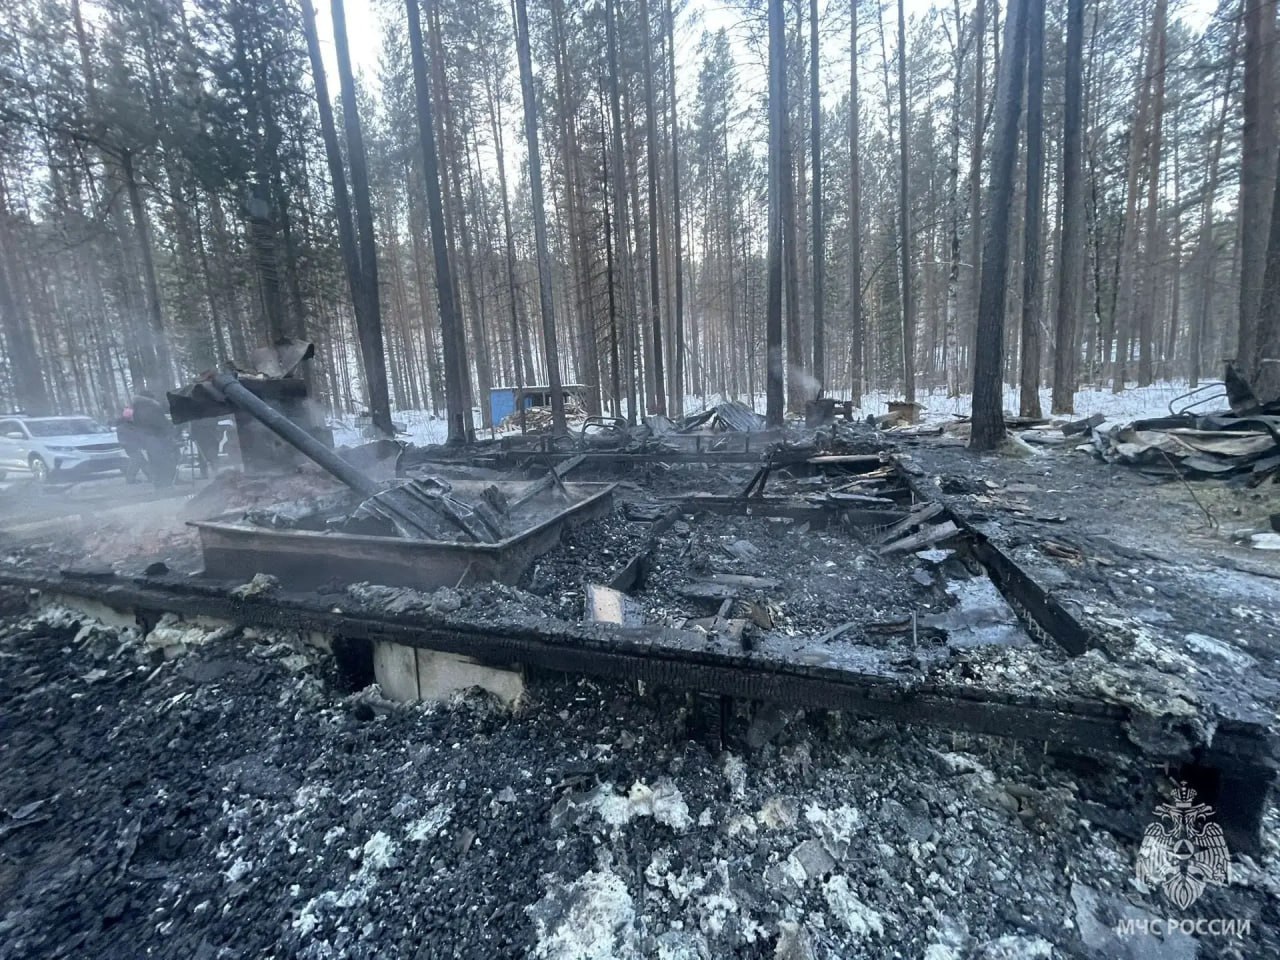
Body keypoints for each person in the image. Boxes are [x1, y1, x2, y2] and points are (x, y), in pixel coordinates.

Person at [130, 390, 179, 487]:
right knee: (163, 461)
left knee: (155, 461)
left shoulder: (137, 407)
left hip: (147, 438)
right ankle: (165, 483)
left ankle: (159, 483)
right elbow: (159, 422)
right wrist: (169, 430)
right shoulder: (151, 407)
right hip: (157, 438)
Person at [114, 407, 149, 484]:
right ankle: (130, 479)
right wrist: (127, 444)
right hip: (131, 448)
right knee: (135, 463)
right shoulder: (122, 427)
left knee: (141, 462)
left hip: (135, 446)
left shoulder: (132, 426)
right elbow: (122, 439)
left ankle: (150, 477)